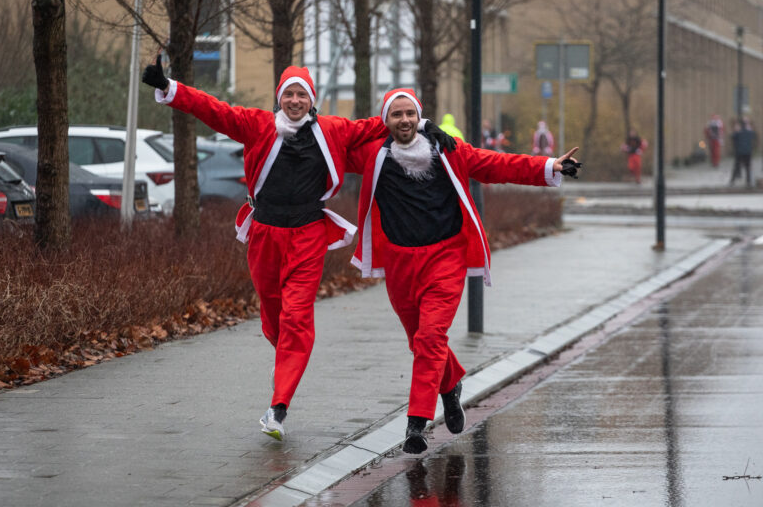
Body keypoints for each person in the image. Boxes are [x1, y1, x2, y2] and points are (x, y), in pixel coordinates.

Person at [142, 58, 454, 441]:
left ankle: (278, 407)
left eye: (301, 94)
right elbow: (213, 110)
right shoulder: (256, 125)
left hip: (307, 234)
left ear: (312, 100)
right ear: (279, 99)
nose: (294, 100)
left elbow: (383, 121)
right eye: (288, 94)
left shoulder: (333, 130)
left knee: (297, 319)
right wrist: (169, 87)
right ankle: (284, 363)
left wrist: (422, 125)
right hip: (265, 234)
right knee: (273, 317)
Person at [347, 88, 581, 453]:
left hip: (445, 259)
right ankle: (451, 384)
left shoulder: (448, 150)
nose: (405, 120)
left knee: (429, 340)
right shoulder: (373, 155)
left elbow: (498, 165)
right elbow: (333, 143)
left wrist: (549, 166)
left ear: (419, 116)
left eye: (411, 113)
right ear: (385, 121)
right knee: (420, 340)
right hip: (400, 263)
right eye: (396, 115)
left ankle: (416, 425)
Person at [730, 118, 756, 187]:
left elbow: (732, 137)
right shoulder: (750, 132)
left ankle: (732, 181)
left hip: (740, 152)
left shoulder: (738, 132)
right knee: (747, 167)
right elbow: (754, 136)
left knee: (737, 167)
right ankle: (748, 181)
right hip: (747, 152)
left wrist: (735, 130)